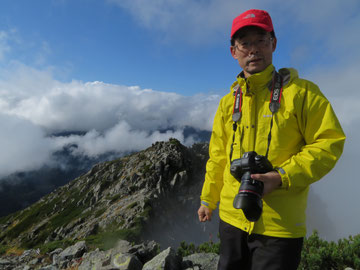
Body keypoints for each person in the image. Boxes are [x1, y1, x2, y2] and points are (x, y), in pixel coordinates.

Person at [197, 9, 346, 270]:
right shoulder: (228, 103)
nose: (253, 49)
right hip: (232, 217)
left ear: (273, 44)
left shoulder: (302, 94)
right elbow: (218, 155)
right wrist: (208, 200)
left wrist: (281, 177)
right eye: (245, 43)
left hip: (280, 226)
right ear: (234, 51)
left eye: (260, 40)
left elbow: (329, 143)